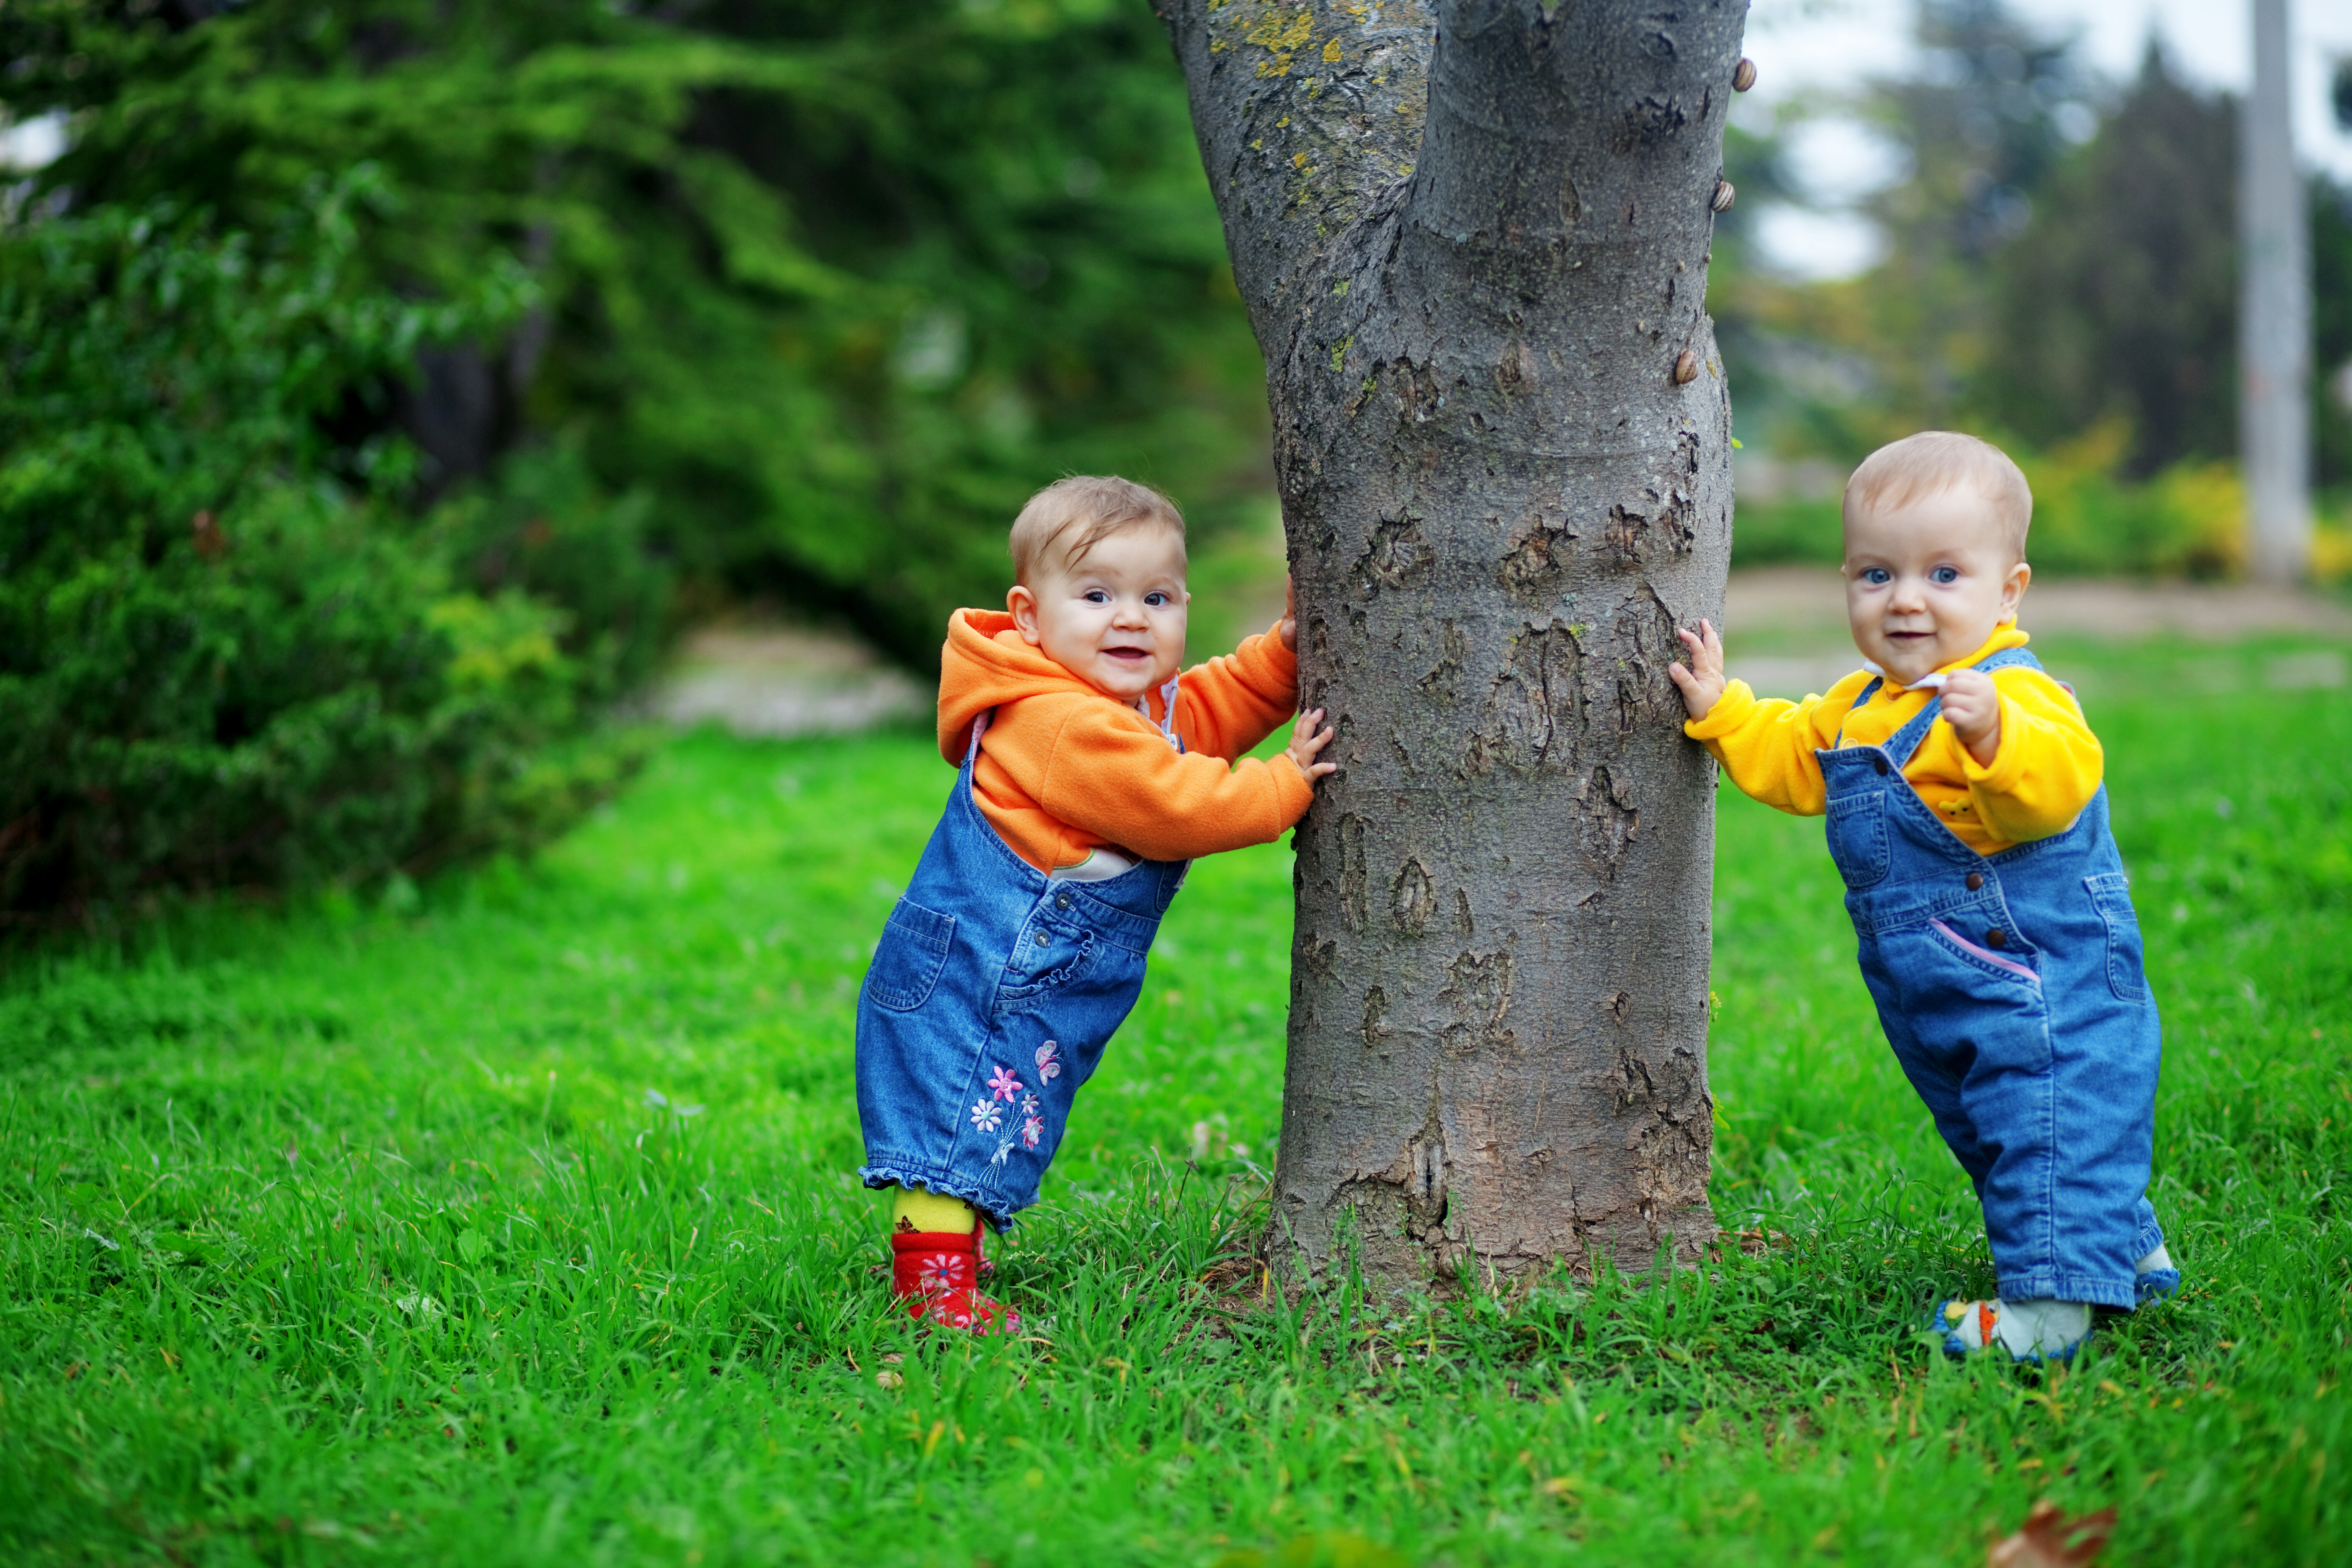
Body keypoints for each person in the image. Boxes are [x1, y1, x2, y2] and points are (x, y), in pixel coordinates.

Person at [1667, 431, 2176, 1362]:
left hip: (2040, 973)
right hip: (1936, 984)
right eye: (1875, 574)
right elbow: (1794, 758)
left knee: (2046, 1112)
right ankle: (2127, 1255)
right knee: (1994, 1124)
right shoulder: (1865, 702)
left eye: (1945, 574)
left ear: (2008, 591)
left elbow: (2057, 790)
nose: (1906, 599)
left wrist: (1995, 741)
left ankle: (2051, 1318)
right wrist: (1723, 711)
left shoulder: (2019, 696)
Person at [856, 475, 1336, 1332]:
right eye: (1096, 595)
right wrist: (1283, 784)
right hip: (983, 977)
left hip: (1016, 972)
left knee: (987, 1120)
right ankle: (932, 1299)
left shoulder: (1120, 704)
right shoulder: (1060, 725)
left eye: (1157, 597)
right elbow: (1176, 802)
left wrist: (1288, 653)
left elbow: (1206, 709)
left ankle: (948, 1272)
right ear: (1030, 616)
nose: (1131, 618)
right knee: (950, 1127)